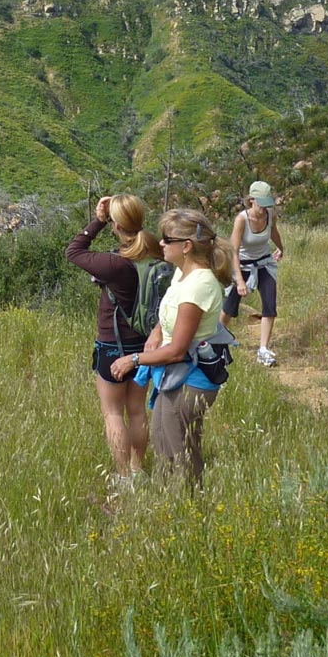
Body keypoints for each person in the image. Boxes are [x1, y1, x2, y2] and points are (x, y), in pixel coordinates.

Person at [110, 207, 233, 486]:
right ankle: (173, 499)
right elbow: (171, 314)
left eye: (168, 239)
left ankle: (186, 503)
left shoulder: (198, 286)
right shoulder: (182, 274)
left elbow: (177, 350)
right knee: (165, 443)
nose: (161, 243)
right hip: (177, 375)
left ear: (186, 246)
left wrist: (134, 360)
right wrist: (156, 331)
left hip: (190, 378)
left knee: (180, 454)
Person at [65, 194, 159, 489]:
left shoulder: (113, 264)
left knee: (113, 413)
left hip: (112, 347)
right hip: (144, 347)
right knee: (137, 411)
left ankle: (123, 478)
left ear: (116, 225)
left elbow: (73, 251)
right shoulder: (155, 251)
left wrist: (98, 221)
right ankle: (138, 471)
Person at [224, 179, 285, 366]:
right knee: (230, 306)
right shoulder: (242, 220)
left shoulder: (270, 215)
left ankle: (263, 349)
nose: (264, 208)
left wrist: (281, 248)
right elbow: (233, 251)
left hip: (264, 262)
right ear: (252, 200)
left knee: (270, 304)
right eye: (261, 204)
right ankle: (218, 339)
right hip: (242, 265)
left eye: (267, 204)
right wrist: (240, 281)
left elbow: (273, 232)